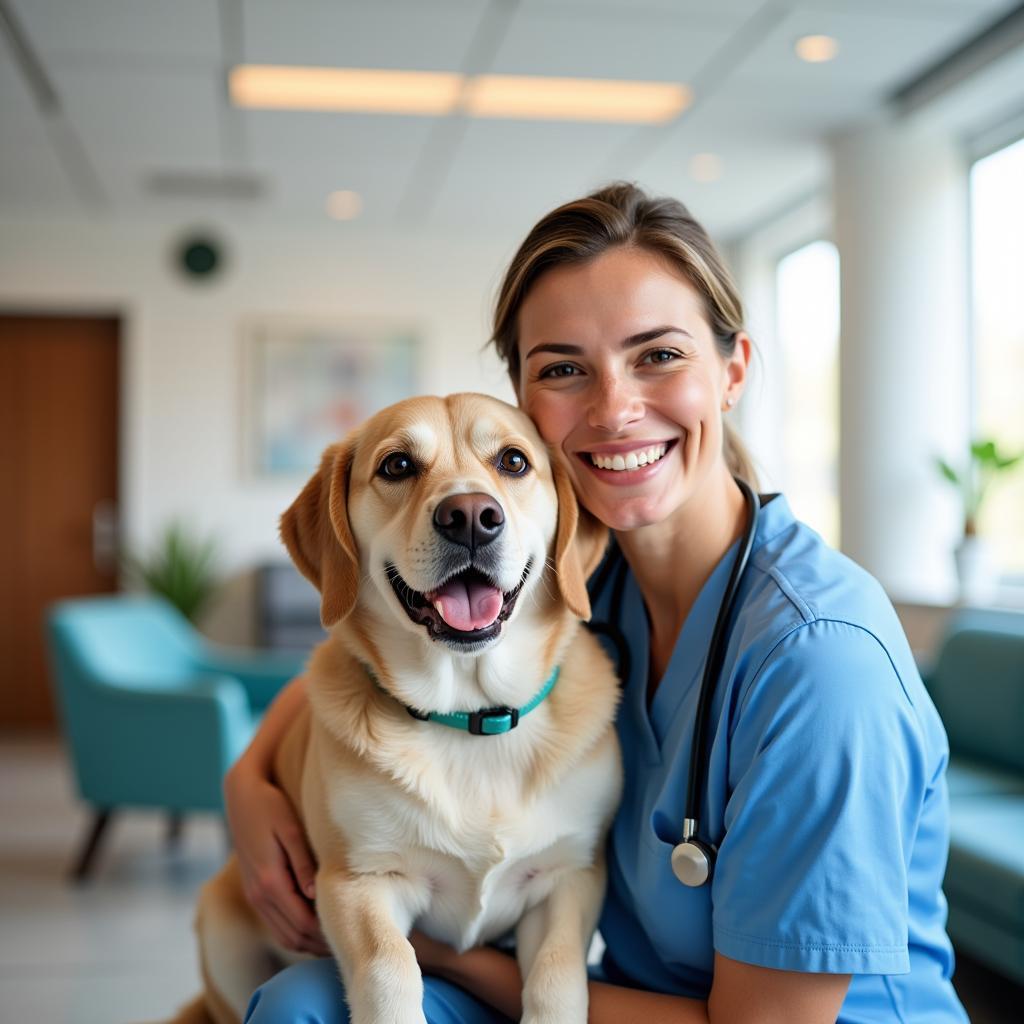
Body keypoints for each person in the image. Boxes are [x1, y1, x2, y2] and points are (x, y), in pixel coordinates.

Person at [226, 183, 968, 1023]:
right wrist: (247, 786)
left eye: (658, 355)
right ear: (523, 400)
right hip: (620, 998)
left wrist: (444, 960)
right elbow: (363, 671)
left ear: (732, 372)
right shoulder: (570, 578)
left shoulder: (821, 664)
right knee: (303, 1007)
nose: (615, 410)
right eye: (566, 369)